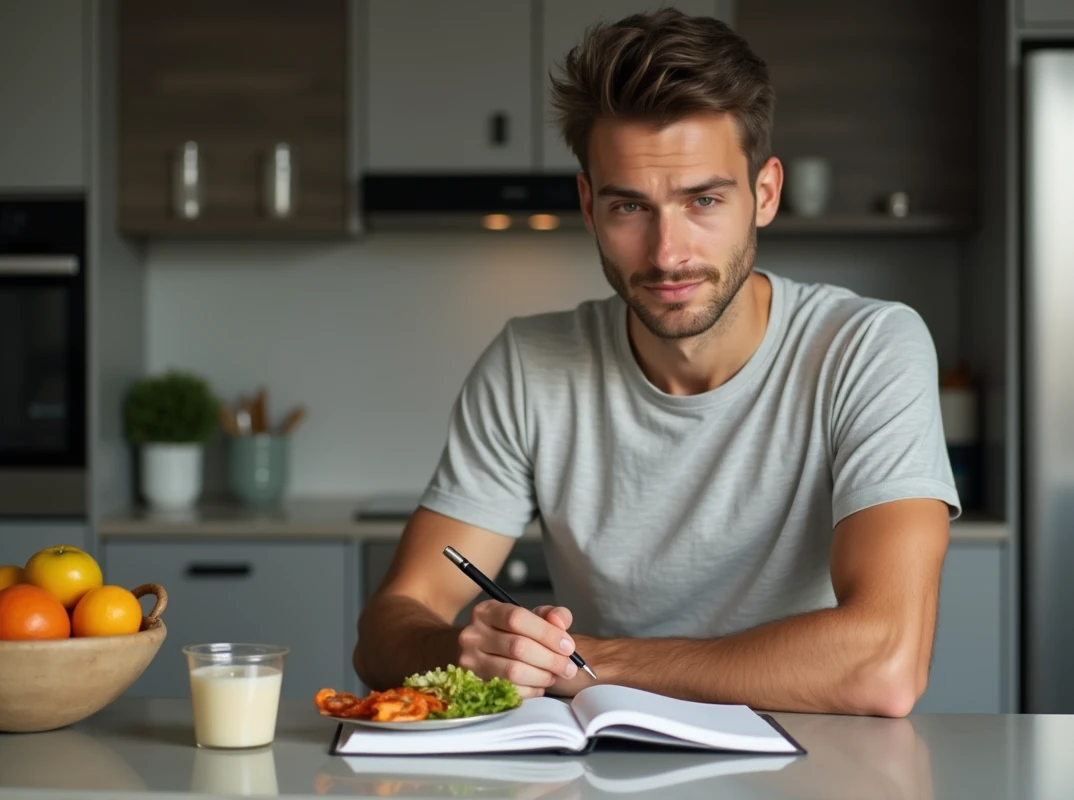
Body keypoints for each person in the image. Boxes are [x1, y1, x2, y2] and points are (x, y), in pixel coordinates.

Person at [354, 7, 960, 718]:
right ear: (588, 205)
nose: (668, 254)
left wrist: (590, 663)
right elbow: (387, 626)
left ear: (765, 194)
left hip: (813, 757)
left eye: (703, 200)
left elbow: (885, 664)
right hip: (602, 757)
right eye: (630, 208)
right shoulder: (529, 363)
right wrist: (465, 652)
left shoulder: (868, 347)